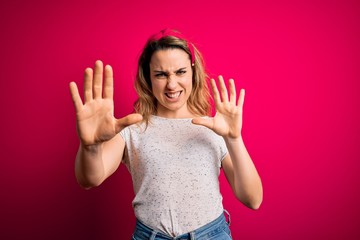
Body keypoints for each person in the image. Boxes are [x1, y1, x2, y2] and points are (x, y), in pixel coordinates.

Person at [69, 28, 263, 240]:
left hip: (211, 235)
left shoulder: (215, 127)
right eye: (161, 74)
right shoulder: (133, 129)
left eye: (180, 72)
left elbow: (252, 199)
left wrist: (234, 139)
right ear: (148, 78)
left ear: (192, 72)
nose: (172, 84)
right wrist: (90, 147)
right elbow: (90, 178)